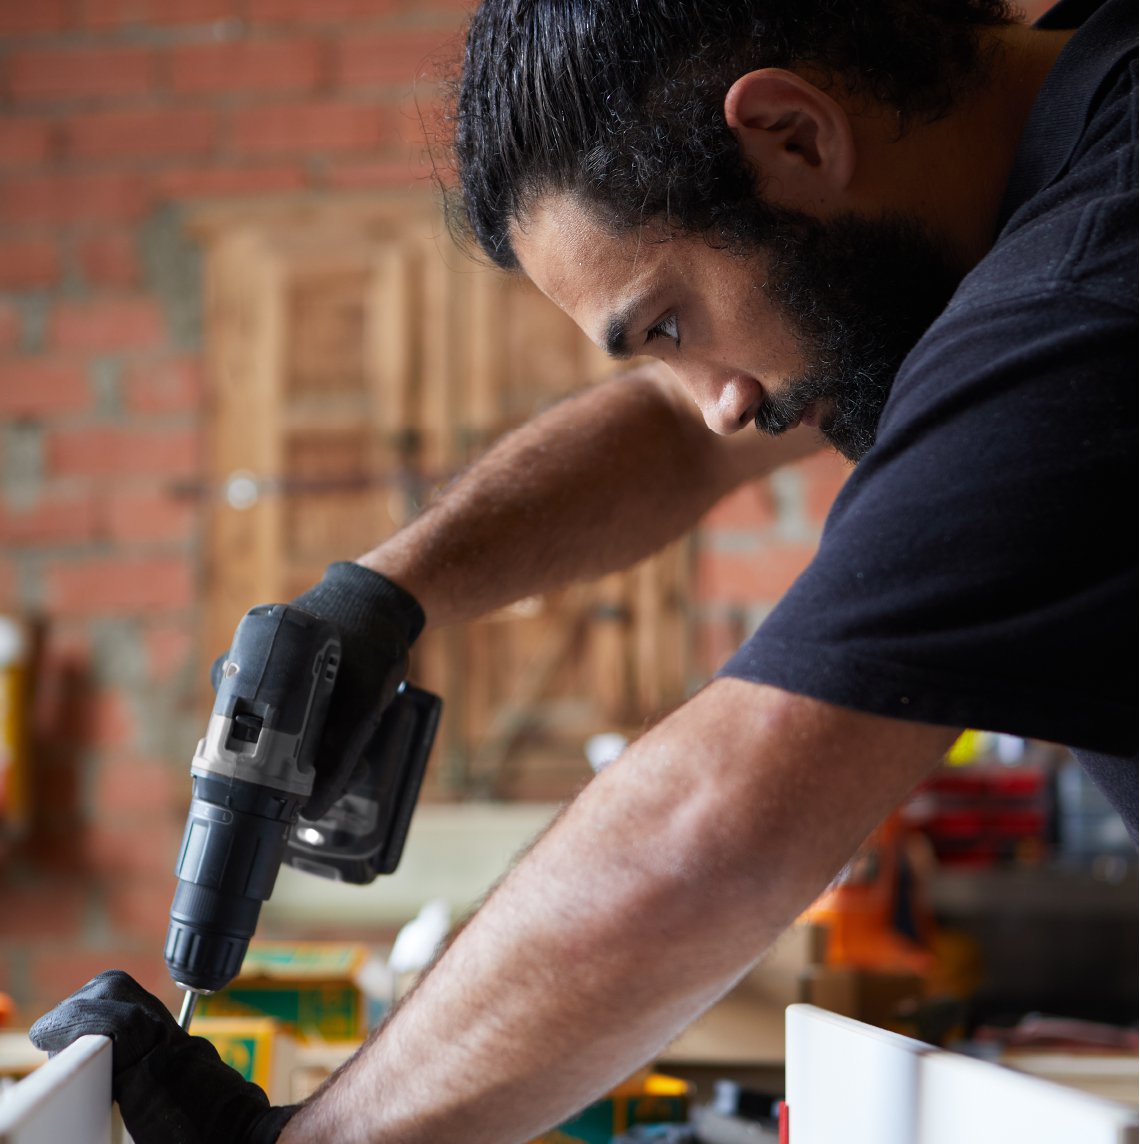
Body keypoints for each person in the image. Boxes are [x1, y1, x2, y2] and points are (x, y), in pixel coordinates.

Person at [31, 0, 1136, 1140]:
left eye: (665, 320)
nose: (722, 401)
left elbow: (721, 820)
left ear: (797, 136)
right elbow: (674, 436)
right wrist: (387, 593)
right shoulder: (1045, 134)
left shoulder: (1088, 290)